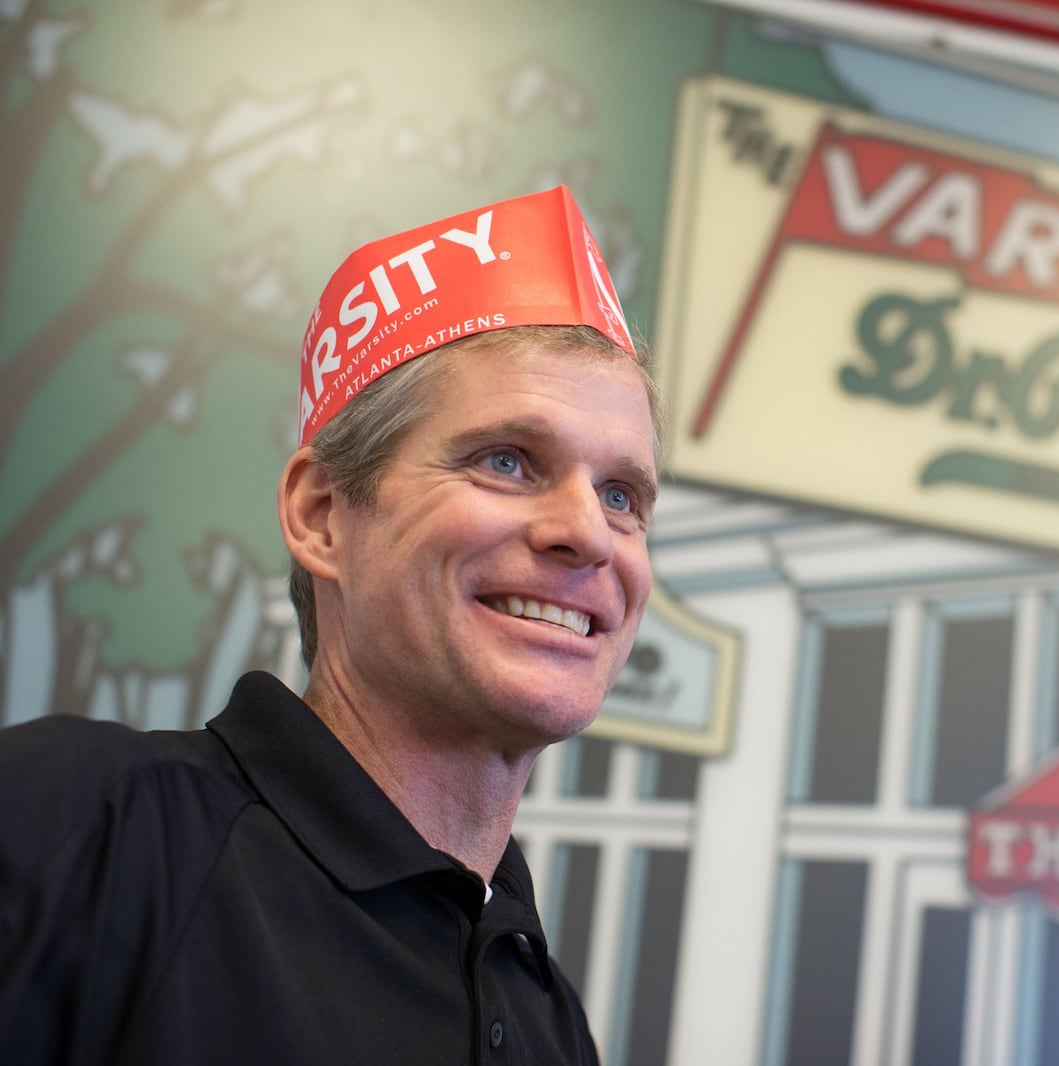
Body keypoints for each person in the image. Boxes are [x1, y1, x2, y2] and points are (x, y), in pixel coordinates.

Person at [0, 186, 660, 1064]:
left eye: (622, 496)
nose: (586, 531)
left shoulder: (549, 1018)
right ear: (320, 515)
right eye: (507, 461)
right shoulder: (82, 827)